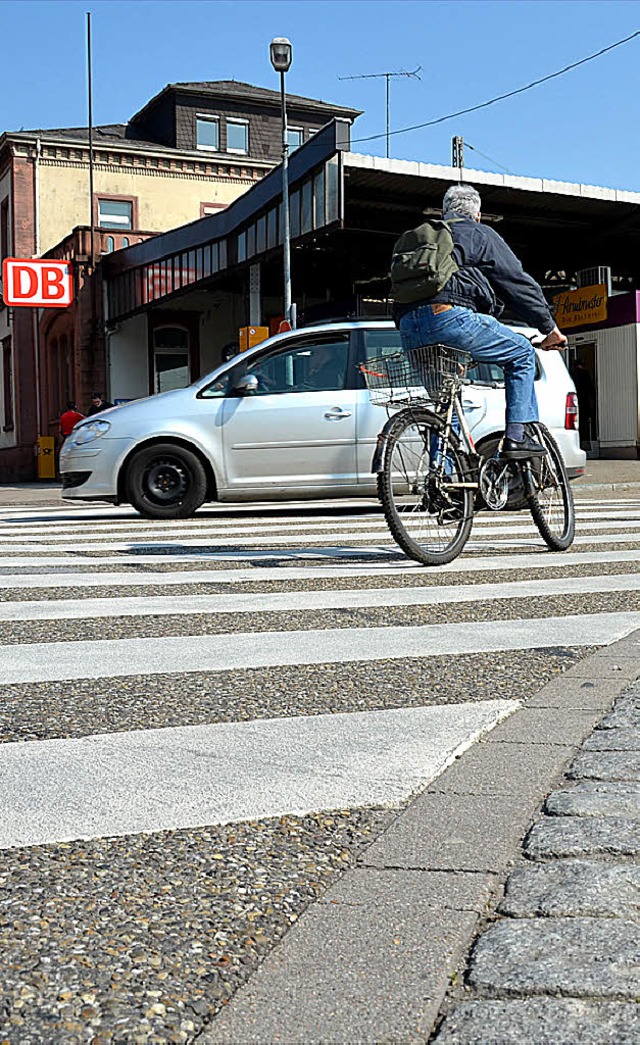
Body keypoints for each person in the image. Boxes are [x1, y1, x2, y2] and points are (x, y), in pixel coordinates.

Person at [393, 184, 567, 459]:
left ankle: (444, 482)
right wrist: (549, 327)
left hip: (408, 328)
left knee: (445, 402)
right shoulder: (478, 233)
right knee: (522, 352)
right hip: (449, 317)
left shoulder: (420, 239)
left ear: (445, 210)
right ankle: (517, 437)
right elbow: (516, 282)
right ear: (477, 214)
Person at [570, 358, 596, 446]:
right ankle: (584, 444)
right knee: (583, 425)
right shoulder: (585, 374)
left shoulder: (571, 374)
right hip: (584, 403)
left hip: (573, 403)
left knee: (575, 425)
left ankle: (577, 444)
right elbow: (590, 391)